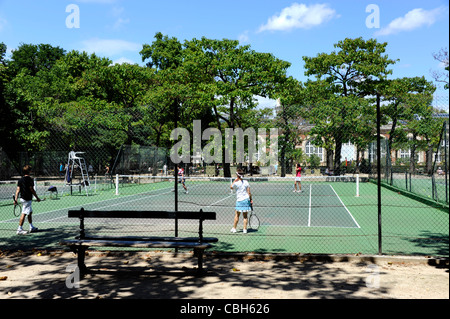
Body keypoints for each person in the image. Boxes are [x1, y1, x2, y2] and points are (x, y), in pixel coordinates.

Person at [14, 165, 42, 235]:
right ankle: (19, 229)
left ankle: (31, 227)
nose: (31, 171)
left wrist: (15, 199)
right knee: (24, 213)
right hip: (27, 199)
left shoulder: (20, 180)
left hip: (22, 198)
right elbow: (32, 189)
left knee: (29, 212)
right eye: (30, 170)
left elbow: (18, 190)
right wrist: (37, 198)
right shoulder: (30, 179)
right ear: (29, 171)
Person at [230, 169, 253, 234]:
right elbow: (249, 193)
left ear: (237, 175)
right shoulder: (246, 182)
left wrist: (234, 180)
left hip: (239, 201)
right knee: (245, 216)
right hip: (246, 200)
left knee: (237, 215)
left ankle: (234, 228)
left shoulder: (236, 183)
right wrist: (251, 200)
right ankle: (245, 230)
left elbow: (231, 187)